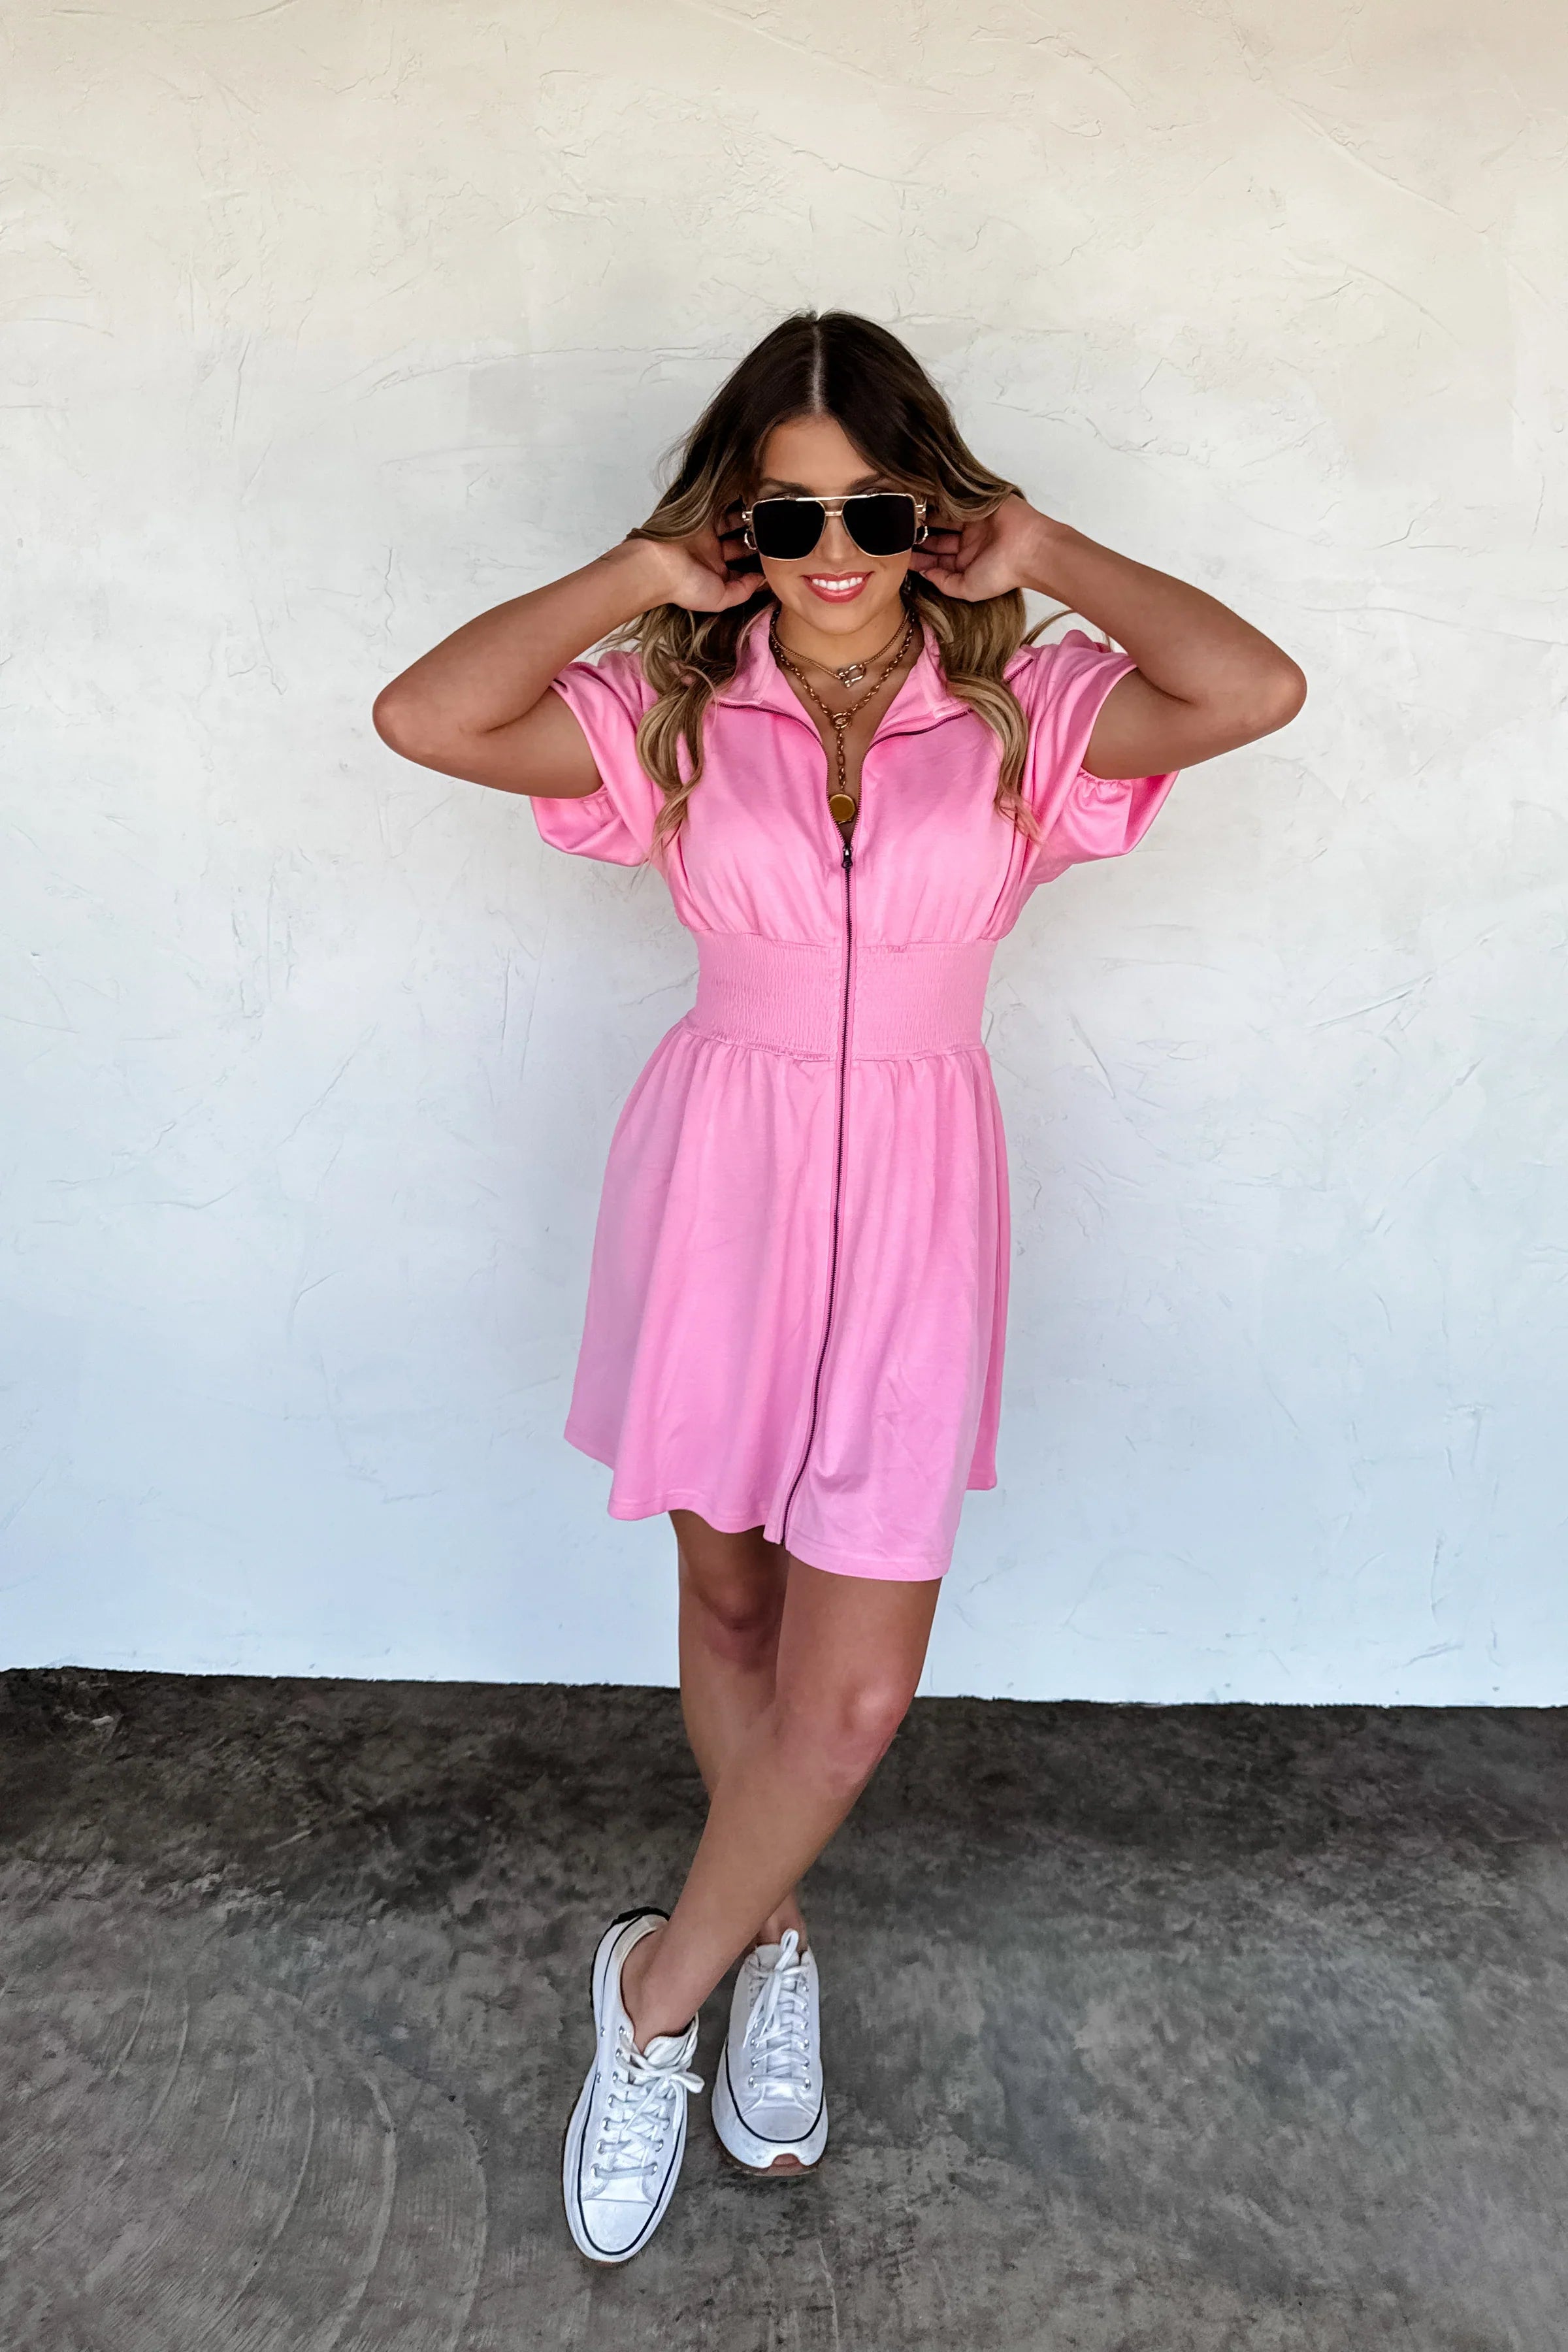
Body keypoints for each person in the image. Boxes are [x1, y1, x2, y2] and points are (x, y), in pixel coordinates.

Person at [371, 308, 1306, 2263]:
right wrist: (641, 576)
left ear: (932, 510)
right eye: (786, 514)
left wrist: (1046, 550)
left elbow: (1253, 686)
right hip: (723, 1175)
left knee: (857, 1684)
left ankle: (655, 1994)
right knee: (733, 1599)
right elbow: (426, 719)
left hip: (919, 1195)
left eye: (876, 507)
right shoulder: (675, 708)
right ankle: (768, 1935)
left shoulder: (1028, 706)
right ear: (737, 524)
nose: (834, 550)